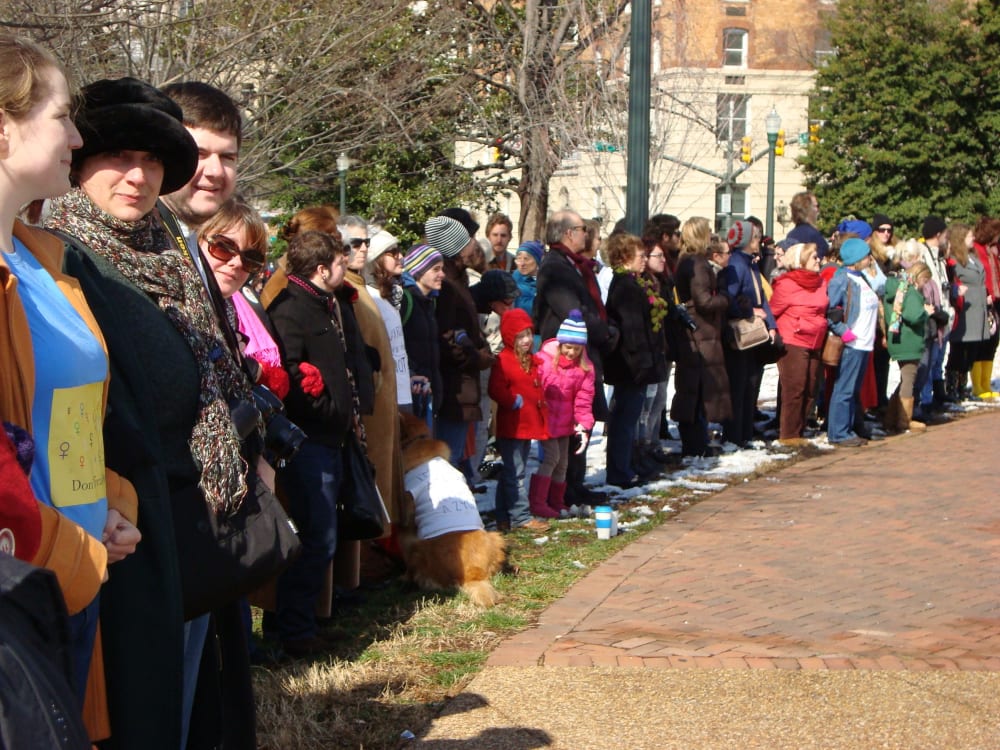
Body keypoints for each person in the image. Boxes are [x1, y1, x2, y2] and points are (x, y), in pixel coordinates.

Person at [47, 76, 253, 749]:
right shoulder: (58, 251)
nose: (138, 177)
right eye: (120, 157)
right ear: (79, 159)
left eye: (154, 162)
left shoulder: (166, 243)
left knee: (184, 705)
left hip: (185, 514)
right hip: (112, 521)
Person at [0, 36, 142, 742]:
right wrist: (71, 546)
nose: (79, 138)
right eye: (62, 116)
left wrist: (105, 504)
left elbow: (66, 415)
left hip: (74, 571)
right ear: (3, 128)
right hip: (25, 583)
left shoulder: (43, 263)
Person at [267, 230, 371, 657]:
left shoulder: (329, 303)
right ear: (321, 267)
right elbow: (289, 374)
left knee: (328, 533)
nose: (347, 264)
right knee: (316, 536)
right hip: (311, 441)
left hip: (336, 436)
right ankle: (293, 632)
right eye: (340, 260)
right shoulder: (291, 309)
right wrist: (328, 408)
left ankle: (304, 622)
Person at [534, 209, 617, 504]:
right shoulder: (554, 267)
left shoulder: (574, 264)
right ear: (569, 233)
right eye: (582, 228)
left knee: (582, 419)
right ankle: (563, 489)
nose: (587, 233)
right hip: (564, 360)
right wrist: (605, 332)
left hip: (581, 359)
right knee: (567, 426)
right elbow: (573, 312)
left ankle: (575, 484)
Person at [425, 215, 493, 481]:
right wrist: (476, 358)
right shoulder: (447, 287)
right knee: (447, 461)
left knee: (457, 456)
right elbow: (447, 337)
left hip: (463, 385)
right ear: (455, 248)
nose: (474, 245)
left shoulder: (457, 281)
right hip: (454, 386)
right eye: (468, 240)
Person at [197, 197, 288, 398]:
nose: (236, 263)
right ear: (196, 241)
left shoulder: (229, 309)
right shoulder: (177, 305)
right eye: (224, 247)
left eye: (250, 258)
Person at [603, 233, 668, 488]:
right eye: (640, 255)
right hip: (629, 366)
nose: (644, 260)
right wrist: (642, 363)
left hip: (634, 365)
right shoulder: (626, 286)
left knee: (629, 419)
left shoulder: (635, 283)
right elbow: (633, 331)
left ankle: (627, 466)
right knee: (624, 420)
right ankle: (620, 471)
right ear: (624, 257)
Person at [159, 81, 242, 276]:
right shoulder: (141, 250)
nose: (216, 171)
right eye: (199, 154)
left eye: (227, 157)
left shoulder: (190, 243)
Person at [670, 218, 732, 457]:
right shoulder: (697, 264)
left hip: (696, 330)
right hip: (701, 331)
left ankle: (696, 441)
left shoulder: (686, 261)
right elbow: (704, 300)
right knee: (696, 389)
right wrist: (725, 297)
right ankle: (695, 443)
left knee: (692, 388)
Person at [488, 308, 549, 530]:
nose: (527, 340)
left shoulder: (529, 360)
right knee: (516, 473)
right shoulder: (504, 361)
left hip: (527, 424)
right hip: (513, 426)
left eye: (529, 335)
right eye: (521, 336)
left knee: (511, 471)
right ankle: (521, 516)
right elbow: (495, 388)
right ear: (510, 337)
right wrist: (512, 400)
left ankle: (504, 515)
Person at [719, 220, 777, 448]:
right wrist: (749, 310)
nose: (758, 242)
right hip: (740, 334)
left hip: (755, 333)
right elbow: (729, 298)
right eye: (754, 238)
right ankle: (734, 434)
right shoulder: (737, 264)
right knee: (739, 384)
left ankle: (745, 432)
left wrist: (771, 324)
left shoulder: (750, 264)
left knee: (749, 384)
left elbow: (762, 297)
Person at [536, 310, 595, 514]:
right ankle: (538, 502)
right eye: (568, 347)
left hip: (565, 423)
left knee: (563, 463)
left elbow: (584, 399)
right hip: (546, 420)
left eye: (576, 349)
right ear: (560, 344)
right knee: (551, 458)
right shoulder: (544, 361)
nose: (571, 353)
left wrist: (584, 424)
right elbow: (537, 388)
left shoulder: (584, 368)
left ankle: (556, 501)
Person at [769, 243, 828, 445]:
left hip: (816, 341)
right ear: (800, 262)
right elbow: (772, 312)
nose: (818, 260)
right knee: (795, 388)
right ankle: (789, 435)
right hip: (793, 341)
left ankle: (800, 430)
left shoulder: (820, 282)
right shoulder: (786, 284)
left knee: (811, 387)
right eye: (813, 257)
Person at [825, 238, 881, 447]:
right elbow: (830, 311)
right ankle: (838, 433)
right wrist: (844, 332)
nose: (870, 258)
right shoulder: (842, 279)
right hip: (851, 344)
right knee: (844, 389)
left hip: (864, 344)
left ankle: (852, 428)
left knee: (854, 390)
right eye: (866, 255)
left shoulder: (861, 278)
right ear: (856, 259)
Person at [882, 262, 934, 433]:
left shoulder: (897, 288)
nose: (925, 285)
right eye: (925, 281)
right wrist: (926, 311)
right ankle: (904, 420)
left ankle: (890, 417)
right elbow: (913, 316)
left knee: (905, 379)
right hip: (909, 340)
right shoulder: (910, 292)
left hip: (898, 339)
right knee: (909, 379)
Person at [366, 229, 413, 411]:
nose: (400, 256)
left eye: (399, 251)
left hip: (402, 389)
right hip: (387, 394)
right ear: (377, 258)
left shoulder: (392, 295)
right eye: (393, 252)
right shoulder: (370, 296)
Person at [401, 244, 445, 427]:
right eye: (436, 269)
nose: (442, 275)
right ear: (418, 270)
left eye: (442, 269)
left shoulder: (430, 302)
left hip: (428, 392)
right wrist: (410, 374)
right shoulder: (406, 299)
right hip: (412, 392)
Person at [944, 222, 988, 401]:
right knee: (959, 350)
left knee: (972, 350)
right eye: (970, 236)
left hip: (978, 307)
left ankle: (963, 387)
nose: (973, 239)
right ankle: (952, 387)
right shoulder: (955, 260)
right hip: (964, 309)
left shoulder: (973, 257)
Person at [916, 215, 954, 408]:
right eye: (945, 234)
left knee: (937, 358)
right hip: (930, 312)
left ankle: (936, 394)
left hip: (943, 311)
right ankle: (925, 399)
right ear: (938, 233)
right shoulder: (922, 253)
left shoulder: (939, 255)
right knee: (927, 361)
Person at [970, 216, 1000, 399]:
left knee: (992, 341)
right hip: (983, 300)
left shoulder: (993, 250)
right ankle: (977, 386)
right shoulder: (976, 250)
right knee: (981, 342)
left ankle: (986, 383)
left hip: (996, 300)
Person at [784, 191, 829, 259]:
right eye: (816, 206)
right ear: (807, 209)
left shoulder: (790, 235)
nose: (818, 210)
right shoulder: (813, 235)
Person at [512, 240, 543, 316]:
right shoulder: (514, 282)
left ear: (537, 261)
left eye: (526, 259)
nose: (522, 264)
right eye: (519, 258)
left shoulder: (546, 280)